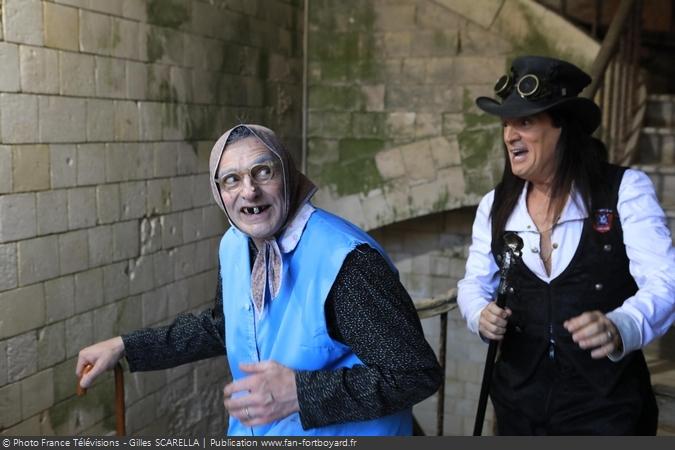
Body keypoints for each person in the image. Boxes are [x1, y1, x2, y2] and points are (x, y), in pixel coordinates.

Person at [77, 124, 442, 436]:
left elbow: (414, 374)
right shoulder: (234, 245)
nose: (249, 190)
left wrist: (301, 392)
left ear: (288, 174)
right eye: (231, 179)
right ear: (218, 193)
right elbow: (227, 326)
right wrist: (128, 346)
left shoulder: (347, 261)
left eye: (263, 171)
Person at [457, 55, 675, 435]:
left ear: (563, 128)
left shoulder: (624, 191)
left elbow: (666, 281)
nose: (510, 135)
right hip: (518, 407)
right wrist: (479, 313)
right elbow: (473, 283)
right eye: (507, 124)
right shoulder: (495, 205)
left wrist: (622, 324)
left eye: (525, 122)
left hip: (606, 409)